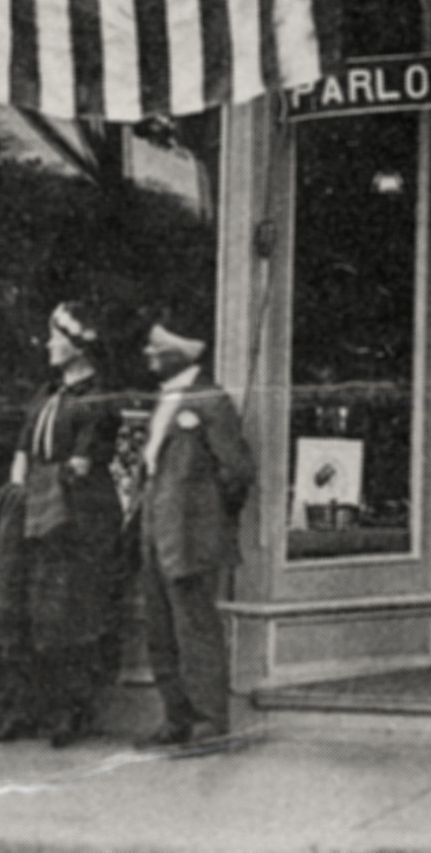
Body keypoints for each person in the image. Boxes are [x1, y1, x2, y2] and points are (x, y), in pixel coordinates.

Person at [0, 303, 125, 745]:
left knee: (62, 612)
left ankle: (69, 710)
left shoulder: (97, 400)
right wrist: (21, 488)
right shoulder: (46, 393)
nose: (47, 344)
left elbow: (80, 466)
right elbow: (24, 450)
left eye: (55, 336)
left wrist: (36, 486)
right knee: (16, 607)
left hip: (75, 518)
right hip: (32, 510)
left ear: (79, 343)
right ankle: (24, 706)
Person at [134, 314, 255, 754]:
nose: (148, 354)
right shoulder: (166, 398)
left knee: (195, 626)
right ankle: (176, 716)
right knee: (161, 626)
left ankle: (209, 719)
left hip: (188, 533)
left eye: (155, 347)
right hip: (155, 526)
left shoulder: (210, 400)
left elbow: (237, 470)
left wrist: (206, 517)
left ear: (177, 353)